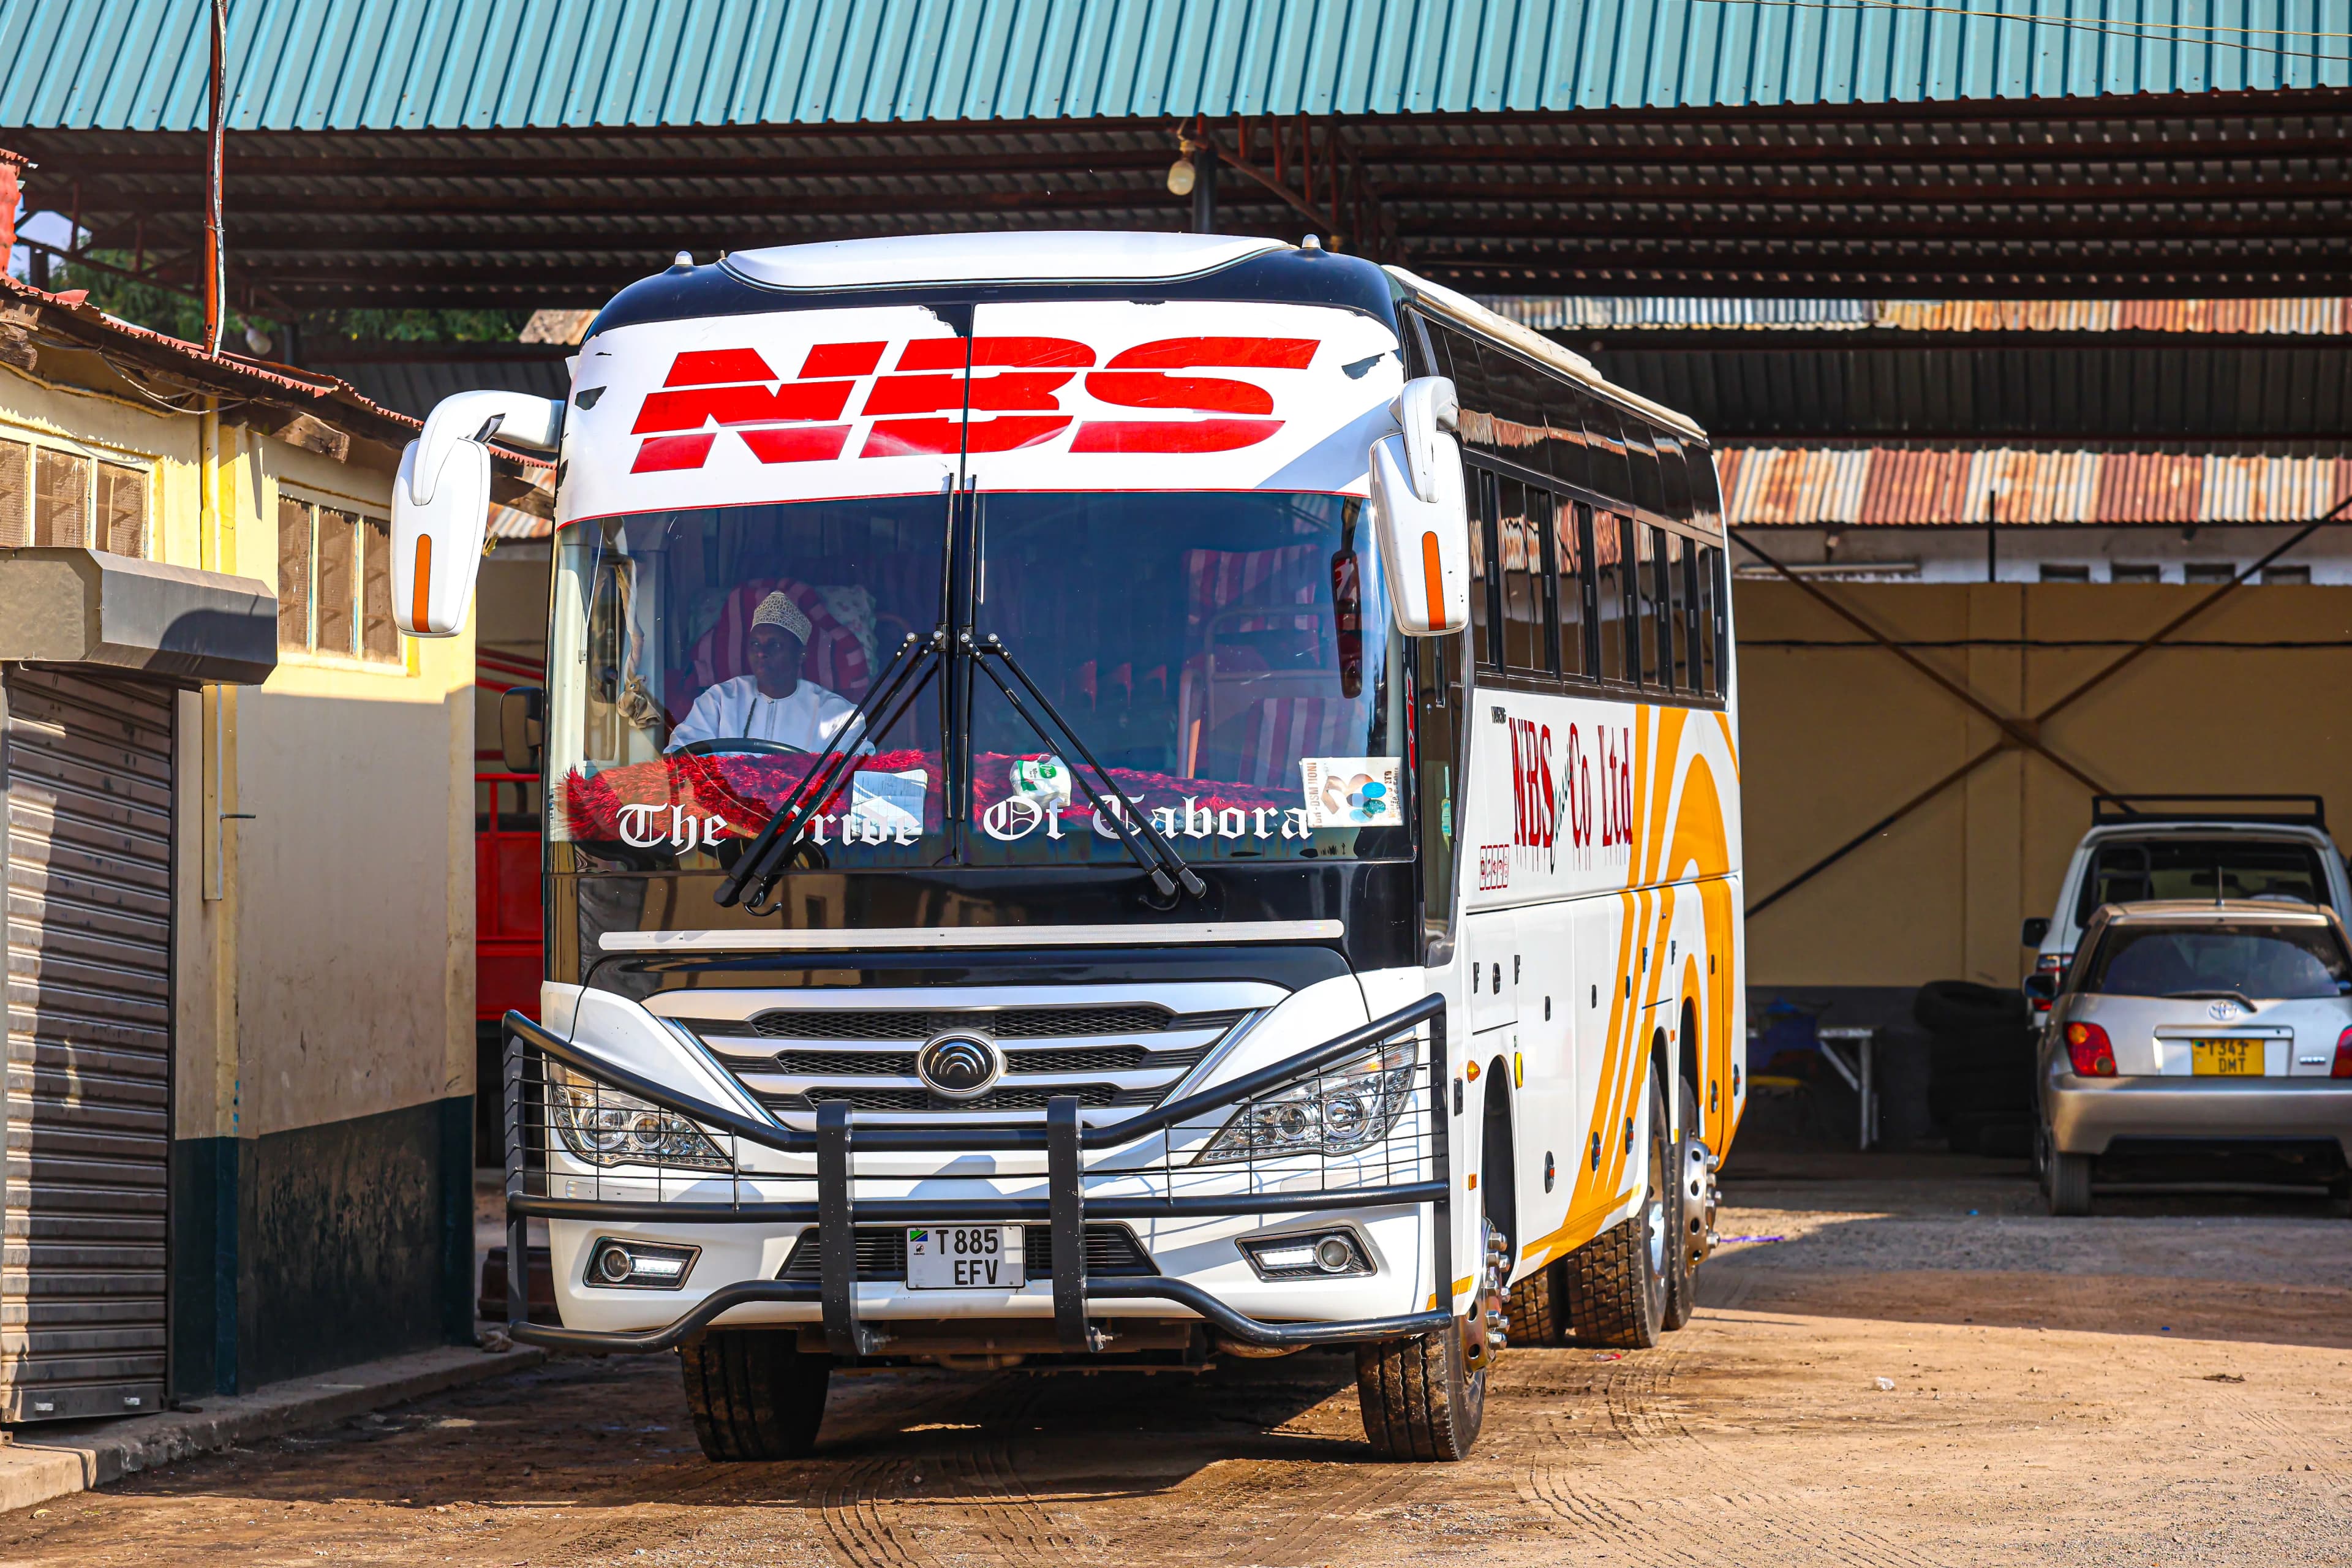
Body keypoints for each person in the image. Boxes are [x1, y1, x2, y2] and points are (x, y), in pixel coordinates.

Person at [665, 591, 865, 753]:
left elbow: (857, 772)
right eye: (755, 644)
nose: (761, 653)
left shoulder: (836, 714)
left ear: (801, 654)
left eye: (775, 645)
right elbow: (680, 755)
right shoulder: (720, 700)